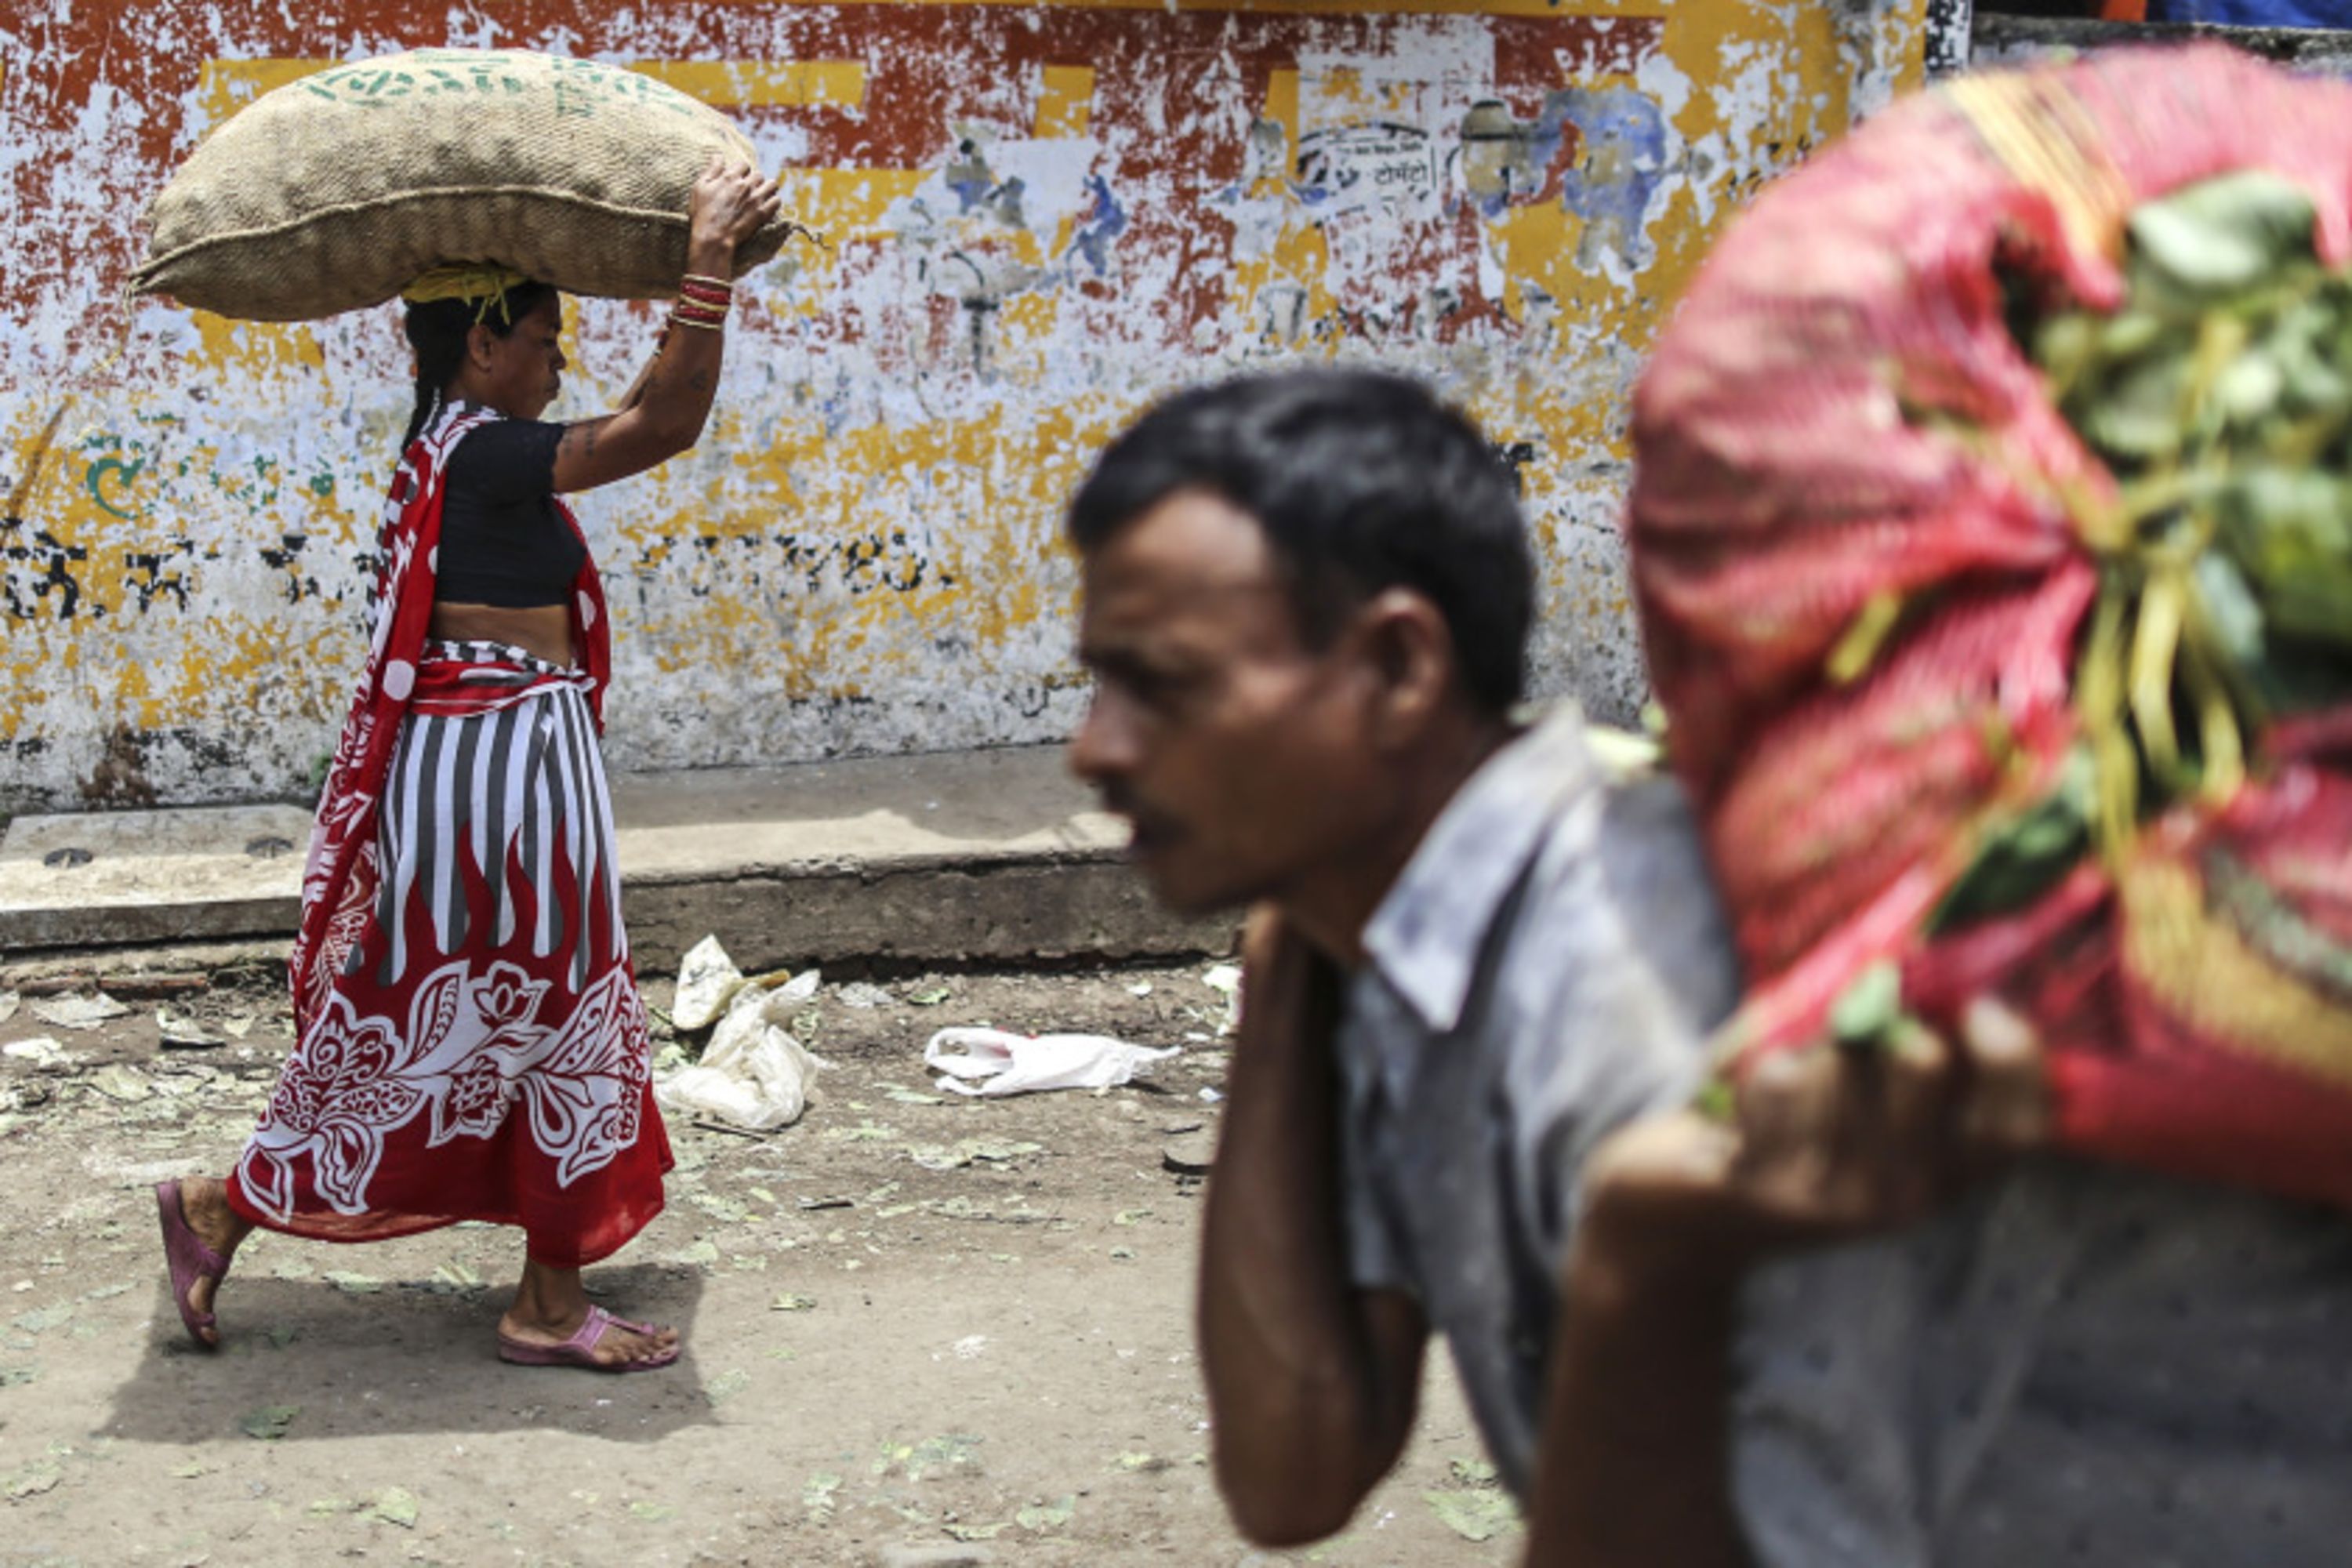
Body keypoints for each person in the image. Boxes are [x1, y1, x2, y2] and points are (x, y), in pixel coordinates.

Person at [1064, 366, 2352, 1566]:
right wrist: (1287, 953)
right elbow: (1295, 1469)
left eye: (1161, 687)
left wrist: (1641, 1268)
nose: (1094, 750)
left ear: (1400, 668)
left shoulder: (1633, 989)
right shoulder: (1392, 946)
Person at [153, 158, 783, 1372]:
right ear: (486, 343)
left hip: (484, 763)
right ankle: (522, 1295)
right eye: (546, 340)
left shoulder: (454, 445)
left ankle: (244, 1211)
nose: (560, 366)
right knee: (539, 1007)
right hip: (502, 772)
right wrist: (705, 264)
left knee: (502, 1012)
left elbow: (642, 398)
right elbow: (667, 421)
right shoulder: (489, 455)